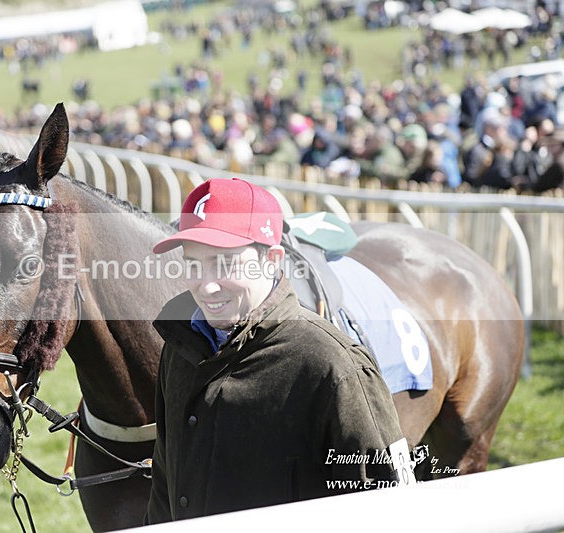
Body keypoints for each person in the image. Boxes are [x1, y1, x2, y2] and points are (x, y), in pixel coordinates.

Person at [145, 178, 411, 524]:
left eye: (225, 263)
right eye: (194, 264)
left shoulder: (332, 365)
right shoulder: (180, 345)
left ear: (272, 259)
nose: (206, 285)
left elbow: (389, 509)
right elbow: (166, 481)